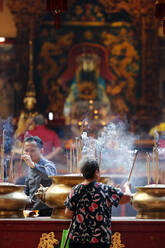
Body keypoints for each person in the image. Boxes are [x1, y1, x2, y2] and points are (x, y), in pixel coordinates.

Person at [64, 157, 132, 248]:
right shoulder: (106, 189)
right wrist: (127, 186)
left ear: (82, 172)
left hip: (78, 239)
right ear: (96, 172)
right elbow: (127, 198)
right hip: (100, 240)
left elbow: (68, 214)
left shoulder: (75, 190)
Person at [22, 136, 57, 216]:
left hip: (47, 211)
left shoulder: (49, 165)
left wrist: (33, 165)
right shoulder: (30, 167)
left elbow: (48, 176)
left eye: (32, 150)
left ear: (41, 151)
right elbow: (27, 189)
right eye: (26, 150)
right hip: (32, 211)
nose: (29, 154)